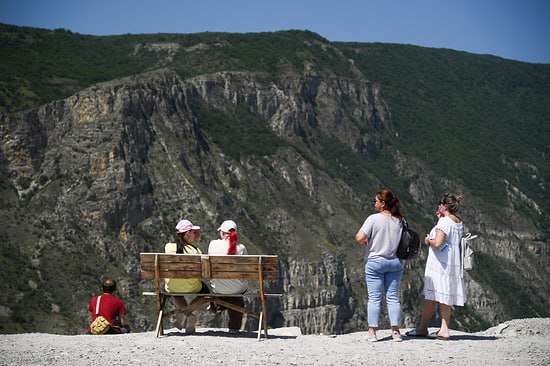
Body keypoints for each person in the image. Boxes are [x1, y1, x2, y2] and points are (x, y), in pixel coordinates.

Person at [406, 194, 464, 340]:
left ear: (445, 206)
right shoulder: (457, 222)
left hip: (439, 265)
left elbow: (438, 243)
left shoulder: (444, 222)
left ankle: (441, 329)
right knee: (438, 296)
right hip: (451, 263)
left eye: (440, 204)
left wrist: (428, 240)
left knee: (437, 295)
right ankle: (425, 327)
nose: (438, 207)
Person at [355, 189, 404, 342]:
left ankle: (372, 332)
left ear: (382, 204)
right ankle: (396, 332)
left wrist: (366, 241)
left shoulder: (373, 219)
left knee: (375, 298)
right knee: (393, 298)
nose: (374, 203)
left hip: (375, 262)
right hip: (395, 262)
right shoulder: (399, 220)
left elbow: (359, 237)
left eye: (375, 200)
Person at [165, 219, 210, 334]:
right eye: (193, 232)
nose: (195, 234)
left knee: (174, 290)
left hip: (172, 286)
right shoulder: (195, 251)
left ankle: (186, 316)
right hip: (191, 286)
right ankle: (188, 313)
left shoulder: (168, 247)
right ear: (187, 233)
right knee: (206, 292)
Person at [207, 220, 249, 334]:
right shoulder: (241, 248)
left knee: (224, 288)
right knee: (236, 294)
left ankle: (217, 304)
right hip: (238, 289)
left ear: (222, 233)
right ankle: (234, 327)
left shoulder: (213, 244)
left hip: (218, 288)